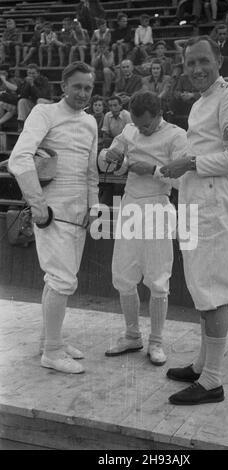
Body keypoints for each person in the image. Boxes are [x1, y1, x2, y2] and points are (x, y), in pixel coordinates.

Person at [161, 36, 228, 405]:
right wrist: (174, 170)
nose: (197, 69)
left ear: (219, 60)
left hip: (214, 204)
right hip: (195, 202)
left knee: (213, 288)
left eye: (204, 61)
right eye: (190, 64)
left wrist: (189, 163)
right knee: (201, 285)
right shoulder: (202, 103)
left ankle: (213, 380)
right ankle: (203, 364)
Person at [8, 62, 99, 374]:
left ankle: (52, 338)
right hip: (50, 211)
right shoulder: (44, 113)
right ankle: (52, 351)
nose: (83, 93)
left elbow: (91, 171)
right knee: (62, 279)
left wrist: (93, 206)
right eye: (77, 87)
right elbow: (19, 159)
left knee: (60, 280)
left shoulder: (90, 123)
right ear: (64, 86)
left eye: (88, 88)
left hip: (78, 214)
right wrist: (37, 204)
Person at [104, 90, 187, 366]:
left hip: (158, 206)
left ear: (159, 115)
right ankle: (131, 335)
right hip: (130, 204)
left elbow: (182, 182)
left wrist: (152, 170)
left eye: (147, 125)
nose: (142, 129)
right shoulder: (129, 129)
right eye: (138, 125)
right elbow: (109, 159)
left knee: (158, 277)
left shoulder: (177, 135)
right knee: (123, 274)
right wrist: (114, 155)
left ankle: (157, 342)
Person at [17, 64, 52, 130]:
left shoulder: (44, 80)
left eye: (33, 73)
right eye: (29, 73)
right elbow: (23, 95)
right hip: (34, 103)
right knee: (22, 101)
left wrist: (32, 85)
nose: (31, 75)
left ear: (38, 73)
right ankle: (21, 124)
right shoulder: (26, 81)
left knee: (40, 100)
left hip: (46, 102)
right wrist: (27, 84)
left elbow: (42, 95)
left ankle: (39, 125)